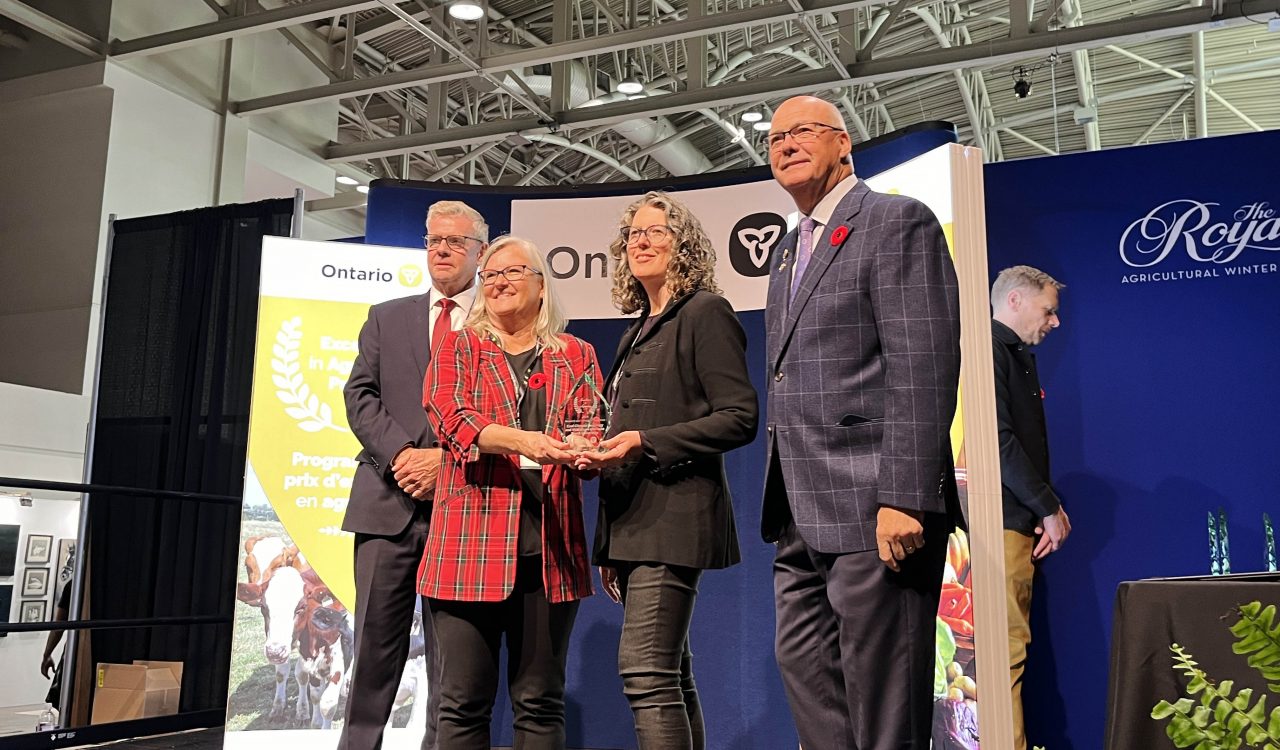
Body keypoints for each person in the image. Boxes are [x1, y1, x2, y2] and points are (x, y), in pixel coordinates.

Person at [760, 94, 962, 750]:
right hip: (800, 515)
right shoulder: (787, 253)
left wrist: (903, 496)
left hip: (878, 510)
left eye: (803, 132)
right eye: (775, 138)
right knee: (809, 682)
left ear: (844, 144)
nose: (786, 144)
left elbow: (923, 366)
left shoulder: (896, 221)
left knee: (885, 713)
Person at [576, 192, 758, 749]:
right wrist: (609, 541)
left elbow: (740, 417)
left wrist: (643, 442)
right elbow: (624, 430)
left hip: (675, 520)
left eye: (657, 232)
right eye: (633, 234)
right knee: (669, 673)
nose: (641, 242)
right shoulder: (636, 329)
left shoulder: (705, 312)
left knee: (645, 671)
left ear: (685, 247)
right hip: (633, 526)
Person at [422, 235, 597, 750]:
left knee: (541, 702)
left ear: (541, 287)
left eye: (512, 272)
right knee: (461, 704)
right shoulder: (460, 345)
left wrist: (584, 450)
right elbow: (451, 418)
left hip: (549, 551)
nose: (498, 282)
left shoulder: (575, 353)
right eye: (491, 275)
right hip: (467, 550)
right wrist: (526, 442)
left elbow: (588, 421)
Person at [339, 200, 488, 750]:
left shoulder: (497, 321)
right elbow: (359, 396)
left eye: (454, 241)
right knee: (373, 651)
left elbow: (507, 415)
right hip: (386, 506)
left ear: (480, 251)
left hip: (467, 508)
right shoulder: (387, 315)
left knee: (454, 666)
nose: (441, 250)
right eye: (433, 241)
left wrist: (445, 463)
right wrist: (402, 455)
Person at [991, 264, 1071, 750]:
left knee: (1005, 653)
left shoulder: (1009, 353)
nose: (1055, 322)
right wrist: (1046, 507)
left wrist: (1045, 507)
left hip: (1010, 520)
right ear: (1015, 301)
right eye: (1050, 311)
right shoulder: (991, 351)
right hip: (1001, 521)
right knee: (1005, 654)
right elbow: (996, 441)